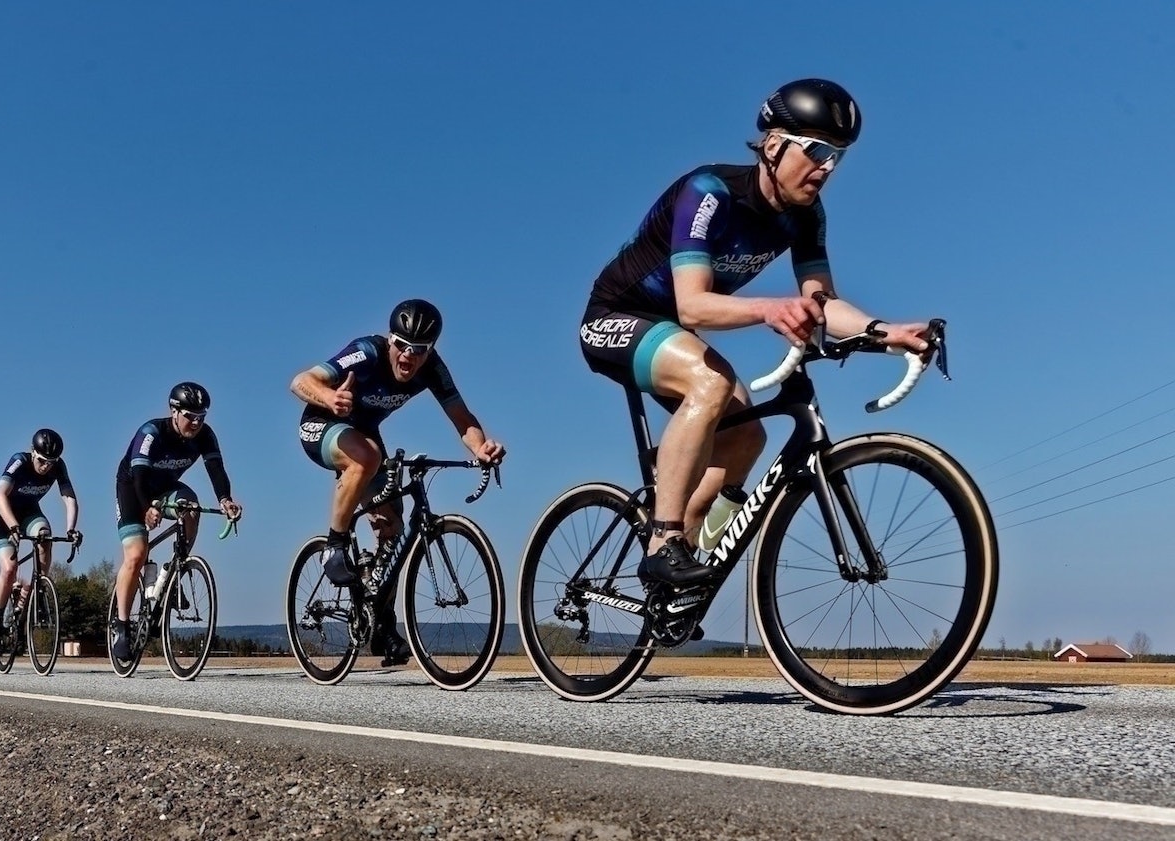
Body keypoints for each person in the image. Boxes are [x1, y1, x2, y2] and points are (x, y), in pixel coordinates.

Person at [578, 78, 930, 588]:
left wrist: (884, 332)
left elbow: (822, 303)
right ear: (772, 145)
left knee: (747, 436)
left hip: (669, 329)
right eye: (815, 149)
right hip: (614, 317)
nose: (827, 166)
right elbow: (693, 305)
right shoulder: (710, 193)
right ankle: (662, 541)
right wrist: (770, 309)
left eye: (838, 155)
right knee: (712, 384)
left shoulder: (805, 215)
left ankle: (682, 570)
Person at [290, 298, 505, 665]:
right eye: (402, 345)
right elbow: (300, 381)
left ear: (430, 350)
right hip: (321, 425)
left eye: (419, 350)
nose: (408, 355)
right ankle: (335, 542)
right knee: (368, 456)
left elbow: (461, 417)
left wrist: (481, 446)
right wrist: (329, 396)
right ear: (390, 340)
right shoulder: (367, 352)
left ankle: (381, 623)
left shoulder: (432, 369)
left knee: (393, 527)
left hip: (364, 434)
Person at [110, 382, 243, 663]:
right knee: (136, 555)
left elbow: (216, 469)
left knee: (191, 507)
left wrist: (225, 499)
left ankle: (175, 569)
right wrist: (147, 508)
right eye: (190, 416)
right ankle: (121, 627)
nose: (196, 423)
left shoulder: (205, 435)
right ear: (174, 411)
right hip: (133, 489)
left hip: (166, 488)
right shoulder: (151, 432)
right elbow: (139, 477)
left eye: (201, 417)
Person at [0, 429, 82, 653]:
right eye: (42, 461)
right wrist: (12, 526)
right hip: (4, 514)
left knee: (44, 534)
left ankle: (39, 586)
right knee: (10, 568)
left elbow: (69, 497)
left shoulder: (58, 466)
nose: (46, 466)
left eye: (51, 462)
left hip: (30, 511)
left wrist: (71, 529)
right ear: (33, 453)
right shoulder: (20, 461)